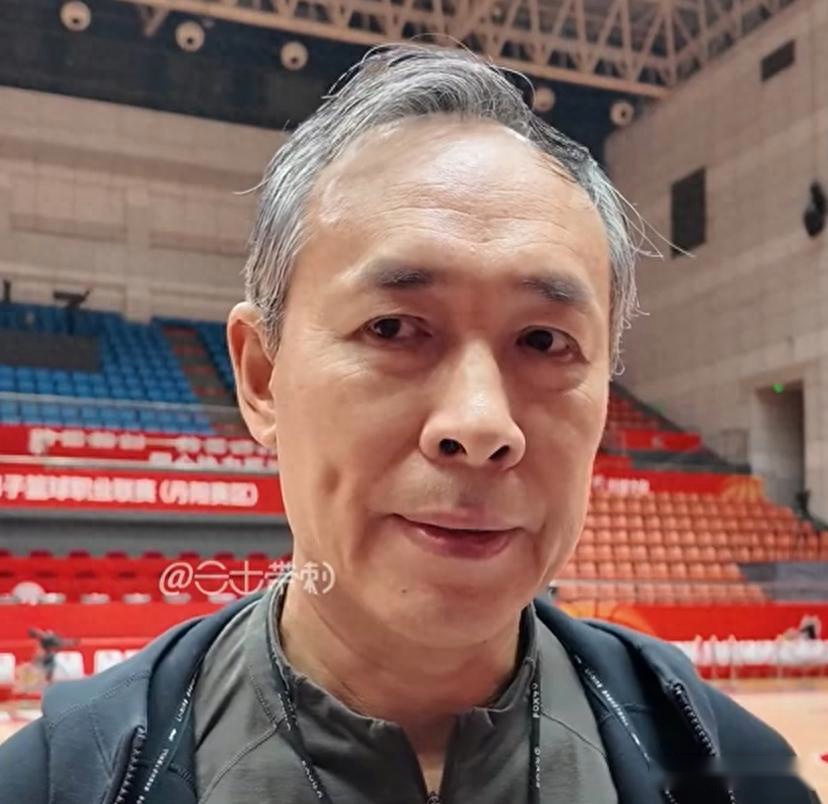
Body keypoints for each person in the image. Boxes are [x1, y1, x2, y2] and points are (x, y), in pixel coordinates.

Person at [0, 45, 819, 804]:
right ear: (262, 378)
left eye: (544, 341)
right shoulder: (58, 782)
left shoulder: (732, 772)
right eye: (393, 328)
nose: (481, 423)